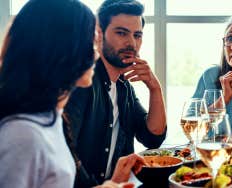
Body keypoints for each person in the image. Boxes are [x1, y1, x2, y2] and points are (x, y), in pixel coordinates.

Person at [0, 0, 144, 188]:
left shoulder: (50, 118)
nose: (96, 54)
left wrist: (112, 183)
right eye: (91, 42)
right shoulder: (22, 136)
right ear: (62, 49)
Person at [63, 0, 167, 186]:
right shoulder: (83, 82)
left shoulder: (123, 86)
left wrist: (155, 88)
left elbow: (153, 138)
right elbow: (65, 154)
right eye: (121, 33)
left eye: (137, 35)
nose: (131, 43)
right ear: (99, 34)